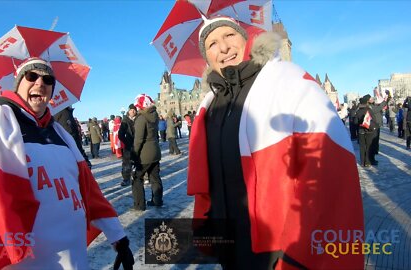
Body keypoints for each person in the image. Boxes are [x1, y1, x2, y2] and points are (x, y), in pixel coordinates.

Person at [187, 17, 363, 268]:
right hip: (231, 241)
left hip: (277, 246)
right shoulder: (211, 104)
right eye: (212, 43)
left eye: (229, 36)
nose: (223, 48)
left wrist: (301, 247)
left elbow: (330, 165)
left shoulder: (286, 81)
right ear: (207, 57)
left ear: (246, 39)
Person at [0, 57, 133, 269]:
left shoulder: (60, 133)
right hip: (31, 261)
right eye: (31, 76)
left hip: (76, 257)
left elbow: (88, 190)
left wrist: (118, 236)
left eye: (48, 79)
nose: (40, 83)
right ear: (18, 85)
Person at [131, 94, 163, 210]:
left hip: (145, 154)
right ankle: (157, 200)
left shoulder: (142, 118)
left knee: (137, 178)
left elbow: (138, 139)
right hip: (155, 151)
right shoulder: (154, 115)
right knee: (155, 177)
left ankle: (139, 205)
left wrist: (134, 154)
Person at [355, 95, 378, 166]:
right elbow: (374, 120)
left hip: (361, 131)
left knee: (362, 147)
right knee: (368, 146)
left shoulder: (358, 111)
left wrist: (360, 123)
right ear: (366, 102)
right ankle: (367, 162)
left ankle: (362, 162)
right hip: (369, 131)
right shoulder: (369, 110)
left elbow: (355, 122)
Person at [118, 104, 137, 187]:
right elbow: (120, 134)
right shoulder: (125, 121)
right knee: (126, 163)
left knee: (140, 162)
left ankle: (143, 177)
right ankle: (126, 179)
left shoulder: (139, 119)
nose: (132, 111)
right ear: (128, 111)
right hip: (129, 145)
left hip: (138, 144)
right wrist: (126, 142)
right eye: (131, 110)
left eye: (134, 110)